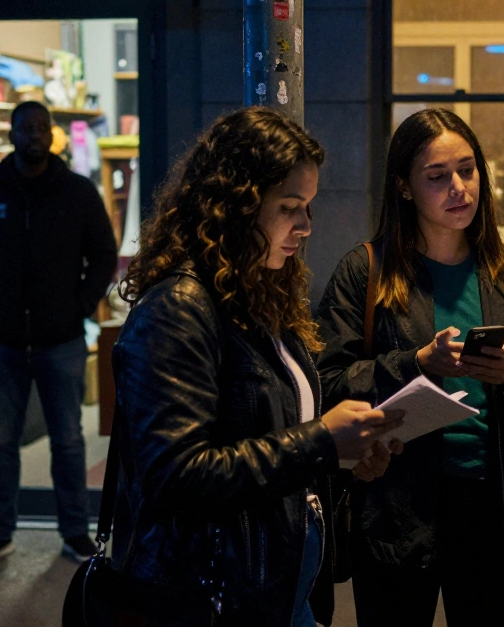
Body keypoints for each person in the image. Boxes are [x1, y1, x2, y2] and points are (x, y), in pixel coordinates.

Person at [110, 107, 404, 627]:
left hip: (275, 585)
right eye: (290, 207)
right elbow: (176, 475)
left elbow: (264, 436)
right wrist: (321, 442)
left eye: (308, 207)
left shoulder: (257, 293)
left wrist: (343, 456)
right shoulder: (179, 306)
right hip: (212, 595)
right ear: (236, 206)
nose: (306, 227)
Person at [316, 107, 504, 627]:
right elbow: (327, 384)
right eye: (437, 177)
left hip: (492, 511)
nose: (459, 188)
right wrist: (415, 364)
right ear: (405, 188)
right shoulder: (366, 271)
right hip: (395, 508)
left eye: (468, 170)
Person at [0, 100, 117, 570]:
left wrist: (79, 307)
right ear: (13, 133)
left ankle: (75, 532)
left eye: (42, 127)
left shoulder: (77, 193)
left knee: (67, 441)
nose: (34, 135)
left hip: (59, 340)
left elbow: (103, 254)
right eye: (26, 128)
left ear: (52, 134)